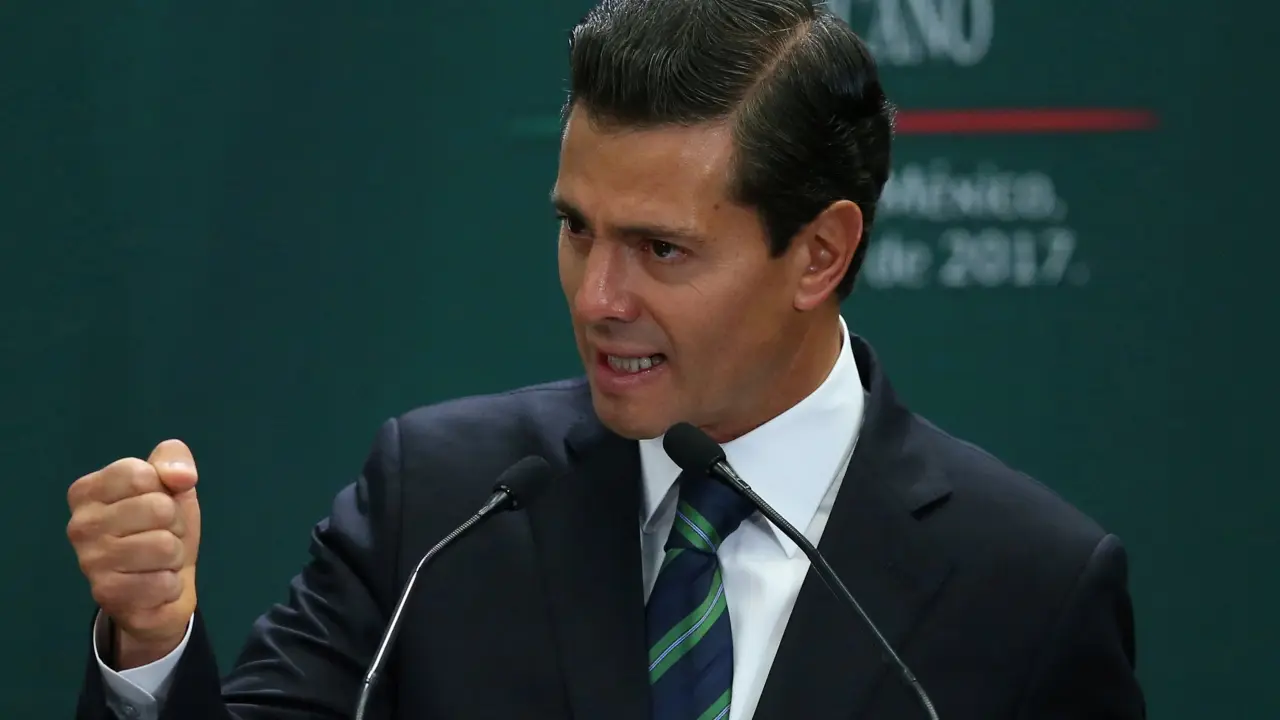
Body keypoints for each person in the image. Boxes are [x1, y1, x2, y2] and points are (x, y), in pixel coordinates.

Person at [66, 1, 1146, 718]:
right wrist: (151, 644)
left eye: (660, 249)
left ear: (819, 252)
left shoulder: (1027, 589)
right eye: (576, 229)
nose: (597, 298)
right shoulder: (439, 507)